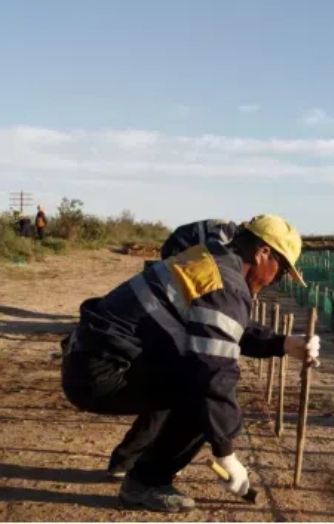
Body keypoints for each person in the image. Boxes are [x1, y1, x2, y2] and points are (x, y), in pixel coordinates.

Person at [60, 214, 320, 513]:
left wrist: (282, 343)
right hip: (99, 372)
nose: (277, 279)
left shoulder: (211, 260)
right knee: (199, 386)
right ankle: (146, 483)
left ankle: (139, 467)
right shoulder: (225, 282)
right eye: (283, 270)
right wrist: (226, 453)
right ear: (263, 253)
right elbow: (214, 372)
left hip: (93, 360)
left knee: (193, 375)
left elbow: (216, 327)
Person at [106, 218, 239, 480]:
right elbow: (215, 369)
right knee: (192, 389)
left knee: (178, 389)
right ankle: (141, 471)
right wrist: (226, 454)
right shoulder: (221, 245)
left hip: (117, 345)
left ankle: (130, 462)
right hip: (108, 360)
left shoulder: (226, 242)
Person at [160, 219, 237, 259]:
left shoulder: (229, 229)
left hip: (180, 243)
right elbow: (213, 252)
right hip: (176, 245)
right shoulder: (227, 229)